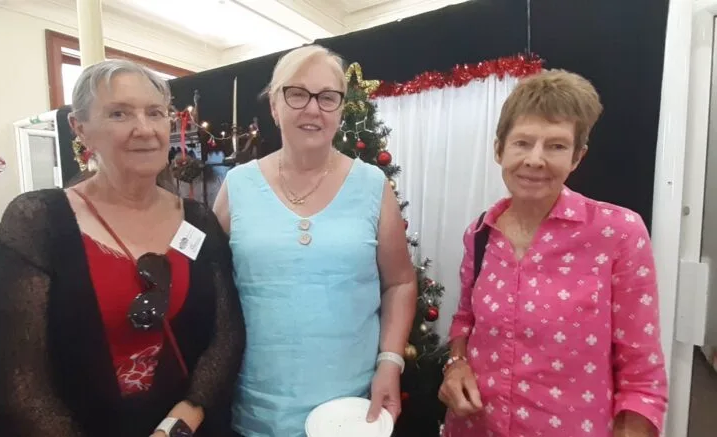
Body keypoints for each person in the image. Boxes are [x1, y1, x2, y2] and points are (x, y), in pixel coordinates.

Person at [0, 59, 245, 437]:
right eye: (119, 113)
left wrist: (179, 423)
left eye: (155, 113)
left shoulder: (197, 220)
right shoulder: (38, 222)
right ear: (80, 128)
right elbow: (19, 383)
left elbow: (227, 334)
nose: (145, 129)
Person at [438, 70, 668, 437]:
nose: (535, 159)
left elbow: (642, 373)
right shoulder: (480, 235)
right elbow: (465, 319)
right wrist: (456, 364)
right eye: (523, 143)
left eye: (556, 146)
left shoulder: (618, 234)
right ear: (499, 149)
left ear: (578, 157)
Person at [212, 45, 417, 437]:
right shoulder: (238, 186)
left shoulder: (372, 185)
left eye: (327, 97)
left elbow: (401, 282)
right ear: (275, 105)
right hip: (256, 408)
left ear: (341, 108)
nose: (313, 109)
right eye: (297, 94)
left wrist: (391, 361)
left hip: (351, 411)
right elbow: (210, 289)